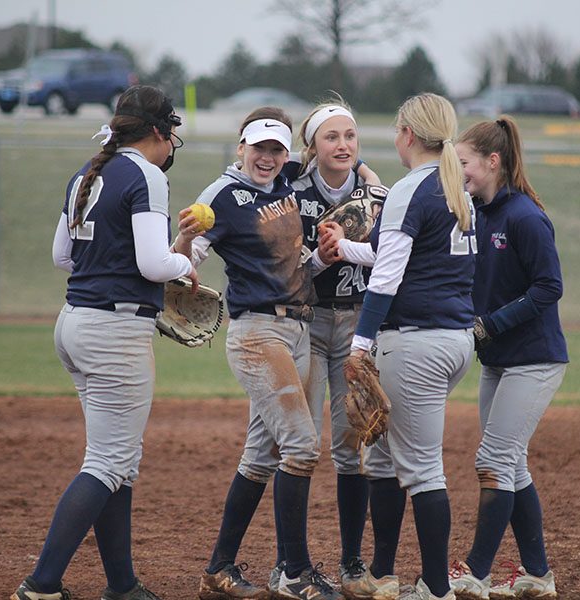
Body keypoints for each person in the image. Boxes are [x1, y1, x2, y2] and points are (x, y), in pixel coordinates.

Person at [10, 85, 195, 600]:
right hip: (114, 331)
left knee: (117, 460)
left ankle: (122, 585)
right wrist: (189, 262)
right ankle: (41, 585)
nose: (172, 140)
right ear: (159, 131)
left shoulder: (86, 173)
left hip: (74, 323)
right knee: (108, 462)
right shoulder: (146, 175)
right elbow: (154, 265)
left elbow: (61, 257)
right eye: (171, 131)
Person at [174, 107, 341, 600]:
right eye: (258, 147)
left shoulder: (286, 181)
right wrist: (184, 238)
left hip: (297, 329)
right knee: (302, 447)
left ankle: (219, 570)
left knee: (262, 454)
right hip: (257, 335)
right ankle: (294, 573)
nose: (267, 157)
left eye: (276, 149)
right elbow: (184, 262)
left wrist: (318, 260)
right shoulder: (222, 195)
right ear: (240, 147)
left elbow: (294, 263)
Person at [321, 93, 477, 600]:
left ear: (408, 134)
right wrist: (342, 248)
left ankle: (435, 588)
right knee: (384, 461)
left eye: (397, 130)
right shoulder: (454, 186)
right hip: (450, 339)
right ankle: (382, 572)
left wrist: (359, 344)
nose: (395, 138)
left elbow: (387, 278)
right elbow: (397, 254)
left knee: (422, 468)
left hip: (414, 343)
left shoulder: (412, 188)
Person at [446, 116, 568, 600]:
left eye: (464, 164)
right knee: (510, 465)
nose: (459, 174)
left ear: (493, 161)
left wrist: (490, 324)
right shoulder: (475, 212)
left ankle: (475, 571)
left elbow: (549, 287)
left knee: (493, 459)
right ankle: (538, 573)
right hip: (498, 360)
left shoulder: (525, 217)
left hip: (535, 359)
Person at [275, 97, 380, 597]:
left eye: (350, 137)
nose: (342, 145)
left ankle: (353, 564)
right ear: (312, 146)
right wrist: (320, 255)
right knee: (301, 441)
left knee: (350, 445)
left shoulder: (372, 189)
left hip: (356, 323)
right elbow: (286, 267)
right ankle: (289, 563)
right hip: (307, 323)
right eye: (331, 137)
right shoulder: (292, 190)